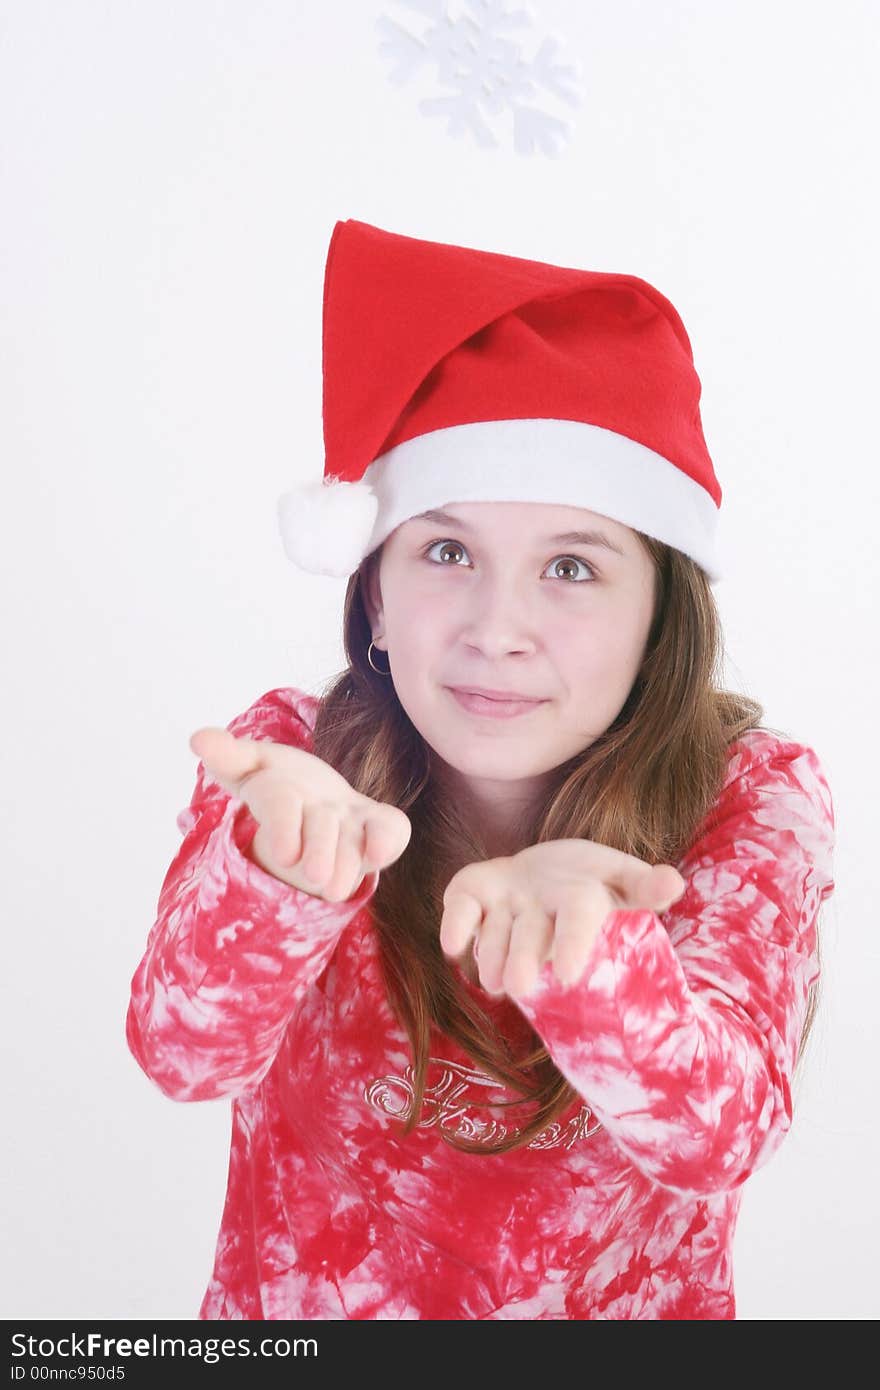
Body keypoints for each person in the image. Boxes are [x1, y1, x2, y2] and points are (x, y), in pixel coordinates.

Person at [125, 218, 836, 1321]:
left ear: (661, 617)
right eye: (446, 551)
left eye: (570, 566)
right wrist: (280, 880)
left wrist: (596, 959)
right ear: (372, 591)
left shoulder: (750, 796)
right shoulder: (289, 766)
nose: (497, 629)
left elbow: (719, 1136)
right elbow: (182, 1056)